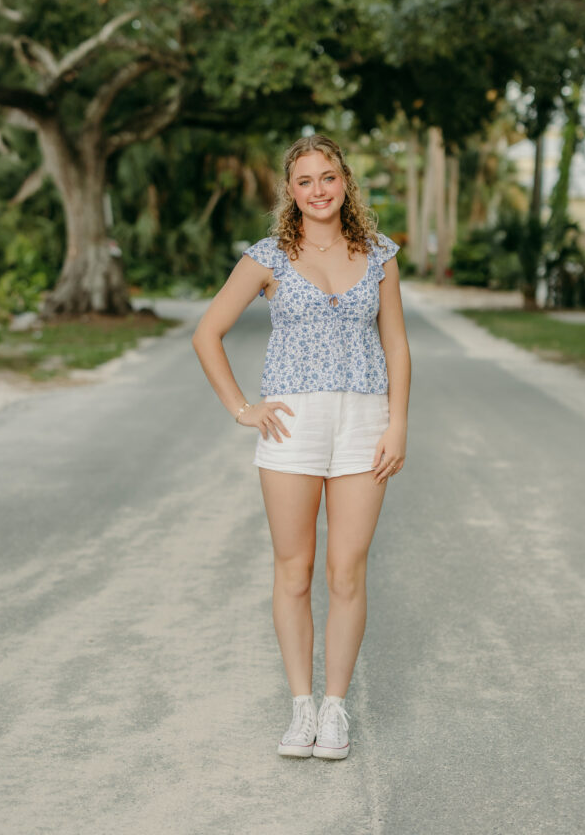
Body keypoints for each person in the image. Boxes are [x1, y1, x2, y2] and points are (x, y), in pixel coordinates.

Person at [192, 134, 411, 760]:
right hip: (292, 424)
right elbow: (208, 333)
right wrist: (242, 408)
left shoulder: (378, 255)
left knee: (347, 571)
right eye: (305, 181)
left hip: (366, 420)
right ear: (290, 191)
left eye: (328, 178)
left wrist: (397, 423)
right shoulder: (268, 258)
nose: (318, 190)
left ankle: (336, 709)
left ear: (345, 183)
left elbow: (396, 345)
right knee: (294, 570)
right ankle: (300, 709)